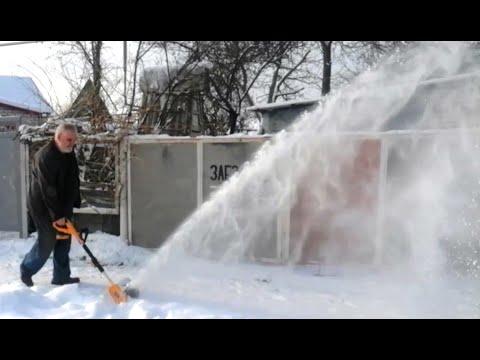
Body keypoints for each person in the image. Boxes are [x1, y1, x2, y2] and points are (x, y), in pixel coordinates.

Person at [20, 122, 83, 287]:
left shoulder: (67, 151)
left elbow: (71, 178)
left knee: (64, 240)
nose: (72, 143)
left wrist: (70, 204)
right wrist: (57, 216)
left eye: (74, 140)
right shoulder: (45, 156)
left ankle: (61, 276)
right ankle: (26, 268)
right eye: (69, 139)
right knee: (47, 241)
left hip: (61, 203)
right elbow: (48, 189)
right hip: (43, 206)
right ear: (58, 137)